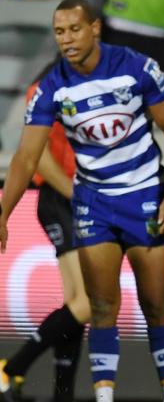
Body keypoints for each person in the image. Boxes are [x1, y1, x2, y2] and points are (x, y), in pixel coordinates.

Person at [0, 0, 164, 402]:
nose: (65, 39)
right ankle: (99, 396)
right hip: (90, 203)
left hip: (144, 196)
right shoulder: (50, 87)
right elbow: (27, 157)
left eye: (73, 29)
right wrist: (3, 213)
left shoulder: (136, 66)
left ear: (95, 28)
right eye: (58, 32)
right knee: (98, 306)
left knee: (155, 305)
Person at [0, 63, 90, 402]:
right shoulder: (44, 90)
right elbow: (36, 157)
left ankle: (61, 395)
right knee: (88, 303)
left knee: (75, 305)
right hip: (59, 199)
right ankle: (11, 368)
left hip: (73, 199)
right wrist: (75, 195)